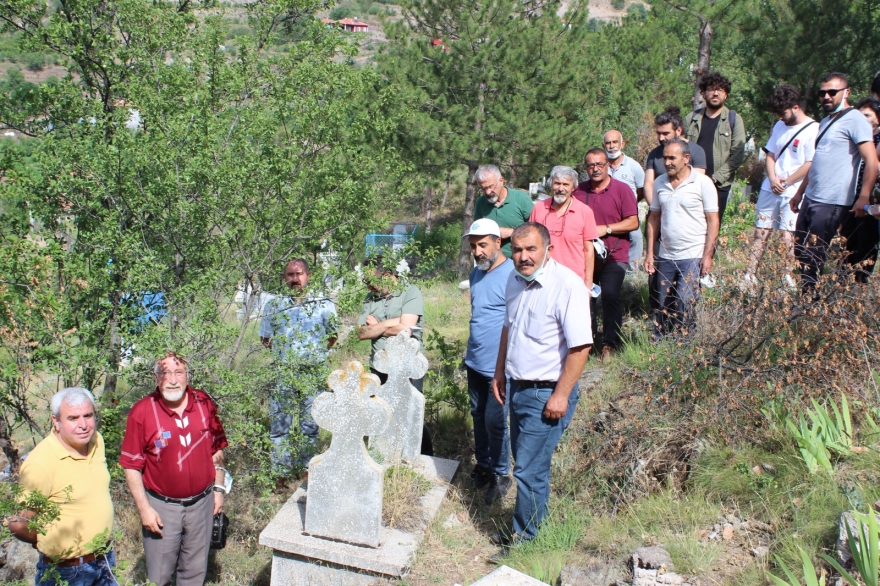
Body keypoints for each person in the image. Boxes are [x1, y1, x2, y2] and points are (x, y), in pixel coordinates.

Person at [489, 222, 592, 548]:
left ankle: (527, 540)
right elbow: (508, 327)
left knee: (529, 470)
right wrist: (499, 372)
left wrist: (561, 395)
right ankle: (529, 527)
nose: (523, 256)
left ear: (548, 249)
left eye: (531, 249)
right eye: (517, 250)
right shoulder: (514, 279)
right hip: (518, 388)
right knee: (528, 465)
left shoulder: (567, 286)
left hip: (547, 392)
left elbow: (580, 347)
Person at [120, 352, 228, 586]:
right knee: (159, 575)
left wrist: (219, 489)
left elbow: (217, 449)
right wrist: (144, 510)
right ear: (155, 377)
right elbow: (131, 466)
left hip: (202, 503)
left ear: (187, 375)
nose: (172, 380)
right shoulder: (142, 412)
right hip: (162, 507)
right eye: (165, 373)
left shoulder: (203, 403)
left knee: (195, 571)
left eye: (178, 372)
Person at [8, 388, 115, 586]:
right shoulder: (40, 464)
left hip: (105, 560)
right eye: (73, 418)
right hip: (67, 572)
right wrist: (48, 542)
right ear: (56, 421)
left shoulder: (96, 441)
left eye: (88, 416)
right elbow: (18, 524)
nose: (83, 425)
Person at [789, 72, 878, 291]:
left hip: (832, 200)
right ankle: (808, 297)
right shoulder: (826, 121)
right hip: (812, 197)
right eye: (822, 93)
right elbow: (817, 160)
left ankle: (810, 302)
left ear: (846, 92)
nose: (826, 97)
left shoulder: (856, 119)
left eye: (832, 92)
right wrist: (800, 192)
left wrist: (864, 196)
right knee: (800, 251)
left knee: (814, 254)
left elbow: (871, 160)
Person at [259, 258, 338, 480]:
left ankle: (307, 470)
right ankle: (281, 473)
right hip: (283, 372)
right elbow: (265, 337)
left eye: (299, 274)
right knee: (280, 425)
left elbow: (332, 335)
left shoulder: (323, 303)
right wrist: (285, 354)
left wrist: (313, 355)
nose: (295, 279)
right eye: (290, 275)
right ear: (284, 277)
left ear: (308, 276)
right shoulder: (274, 305)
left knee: (310, 424)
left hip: (313, 372)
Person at [357, 254, 433, 455]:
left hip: (407, 366)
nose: (367, 286)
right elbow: (362, 333)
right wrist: (395, 323)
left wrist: (378, 326)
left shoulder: (410, 292)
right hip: (379, 366)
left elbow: (406, 330)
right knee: (381, 413)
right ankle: (385, 456)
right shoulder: (370, 298)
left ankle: (422, 457)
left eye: (370, 280)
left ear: (387, 275)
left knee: (410, 415)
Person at [645, 139, 719, 340]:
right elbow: (654, 218)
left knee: (684, 301)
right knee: (662, 303)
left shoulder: (703, 183)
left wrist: (707, 256)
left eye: (672, 158)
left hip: (693, 254)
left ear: (686, 158)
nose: (667, 162)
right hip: (666, 254)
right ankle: (660, 344)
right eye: (665, 158)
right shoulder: (659, 182)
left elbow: (713, 220)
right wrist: (650, 253)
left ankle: (685, 344)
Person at [744, 84, 818, 287]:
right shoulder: (779, 125)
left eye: (783, 113)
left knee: (788, 235)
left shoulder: (813, 129)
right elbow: (770, 154)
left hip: (793, 190)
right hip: (771, 186)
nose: (780, 117)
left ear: (795, 107)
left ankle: (787, 277)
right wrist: (773, 178)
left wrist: (786, 182)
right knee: (761, 231)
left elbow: (809, 163)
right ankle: (749, 275)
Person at [463, 218, 514, 503]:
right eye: (473, 246)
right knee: (478, 414)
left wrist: (505, 364)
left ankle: (501, 472)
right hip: (475, 359)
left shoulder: (513, 274)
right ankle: (483, 465)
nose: (477, 251)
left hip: (500, 365)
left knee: (495, 420)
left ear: (498, 242)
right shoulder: (476, 273)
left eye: (482, 245)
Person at [574, 148, 639, 358]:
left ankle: (610, 344)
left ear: (608, 166)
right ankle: (586, 343)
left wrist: (606, 229)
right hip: (586, 255)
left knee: (610, 294)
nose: (596, 169)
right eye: (591, 165)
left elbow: (633, 222)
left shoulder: (622, 190)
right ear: (586, 168)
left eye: (600, 164)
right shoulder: (578, 192)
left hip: (615, 253)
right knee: (585, 298)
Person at [643, 107, 708, 316]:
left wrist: (671, 206)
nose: (661, 138)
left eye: (666, 133)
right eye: (658, 133)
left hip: (689, 233)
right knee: (658, 282)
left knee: (684, 294)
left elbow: (694, 186)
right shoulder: (655, 154)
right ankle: (660, 322)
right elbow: (649, 184)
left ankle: (684, 326)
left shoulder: (696, 152)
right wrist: (659, 206)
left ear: (678, 130)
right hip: (661, 221)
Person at [685, 72, 747, 225]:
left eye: (720, 89)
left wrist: (717, 177)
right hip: (691, 183)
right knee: (689, 226)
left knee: (712, 227)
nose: (715, 93)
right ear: (703, 93)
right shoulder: (691, 119)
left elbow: (738, 154)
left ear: (726, 94)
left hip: (719, 185)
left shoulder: (734, 119)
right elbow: (681, 149)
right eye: (711, 89)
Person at [528, 165, 598, 288]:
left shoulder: (585, 212)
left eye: (566, 184)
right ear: (551, 184)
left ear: (573, 187)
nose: (561, 188)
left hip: (573, 280)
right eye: (557, 183)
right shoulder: (538, 208)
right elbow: (530, 244)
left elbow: (589, 251)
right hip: (542, 278)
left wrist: (588, 284)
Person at [840, 97, 880, 282]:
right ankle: (840, 282)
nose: (864, 119)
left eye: (868, 115)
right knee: (846, 240)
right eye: (861, 115)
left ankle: (860, 283)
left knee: (866, 242)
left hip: (871, 200)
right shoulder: (853, 138)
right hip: (849, 196)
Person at [603, 129, 646, 270]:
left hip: (628, 214)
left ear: (623, 144)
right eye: (608, 143)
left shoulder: (634, 166)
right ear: (603, 146)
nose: (611, 146)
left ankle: (633, 272)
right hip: (606, 215)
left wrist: (630, 204)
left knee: (635, 238)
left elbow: (642, 189)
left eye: (615, 142)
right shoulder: (600, 166)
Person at [473, 164, 535, 257]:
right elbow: (477, 233)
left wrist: (513, 232)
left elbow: (536, 230)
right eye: (483, 188)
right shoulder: (481, 203)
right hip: (491, 260)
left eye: (490, 187)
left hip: (519, 259)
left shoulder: (521, 198)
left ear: (501, 181)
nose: (487, 192)